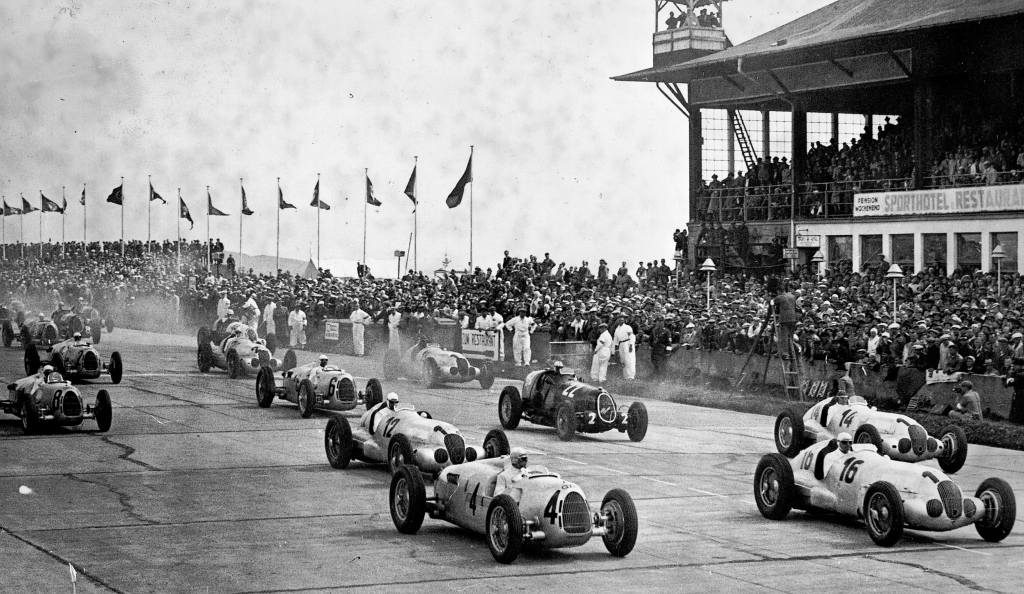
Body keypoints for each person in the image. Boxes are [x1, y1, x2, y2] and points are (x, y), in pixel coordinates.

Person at [766, 277, 798, 359]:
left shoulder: (780, 297)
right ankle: (791, 352)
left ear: (779, 291)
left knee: (784, 337)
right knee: (790, 337)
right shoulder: (792, 296)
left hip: (785, 319)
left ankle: (785, 353)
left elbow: (772, 303)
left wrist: (770, 299)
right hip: (793, 318)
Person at [613, 315, 636, 380]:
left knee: (629, 360)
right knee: (623, 360)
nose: (621, 321)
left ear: (624, 320)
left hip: (627, 343)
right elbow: (615, 339)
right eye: (619, 320)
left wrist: (631, 345)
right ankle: (625, 376)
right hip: (621, 344)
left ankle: (631, 376)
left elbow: (631, 336)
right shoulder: (617, 329)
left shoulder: (627, 327)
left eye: (622, 320)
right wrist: (616, 347)